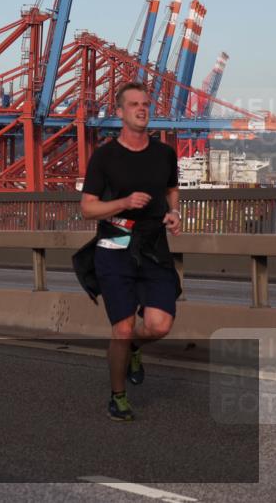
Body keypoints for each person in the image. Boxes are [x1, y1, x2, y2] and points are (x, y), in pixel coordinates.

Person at [76, 82, 182, 422]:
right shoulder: (105, 156)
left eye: (146, 104)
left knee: (159, 325)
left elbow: (171, 187)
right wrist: (124, 202)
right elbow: (87, 209)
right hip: (115, 248)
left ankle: (136, 348)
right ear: (119, 112)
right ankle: (117, 397)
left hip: (153, 247)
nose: (142, 109)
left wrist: (174, 212)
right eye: (134, 104)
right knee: (121, 328)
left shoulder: (164, 153)